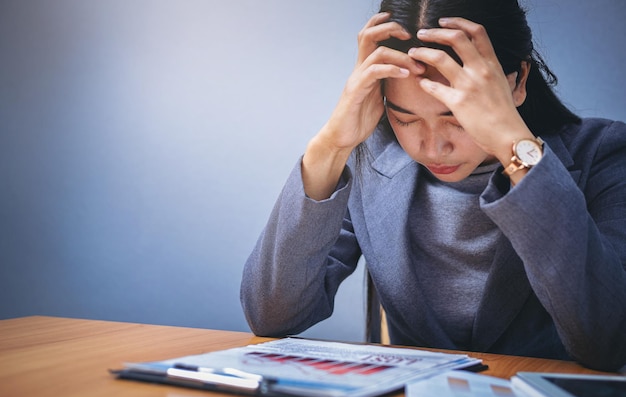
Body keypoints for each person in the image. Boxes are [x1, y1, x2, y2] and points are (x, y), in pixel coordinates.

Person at [240, 0, 626, 372]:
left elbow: (607, 340)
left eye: (457, 117)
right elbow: (273, 314)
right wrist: (329, 147)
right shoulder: (371, 160)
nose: (432, 147)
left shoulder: (604, 155)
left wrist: (515, 147)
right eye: (405, 119)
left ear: (518, 81)